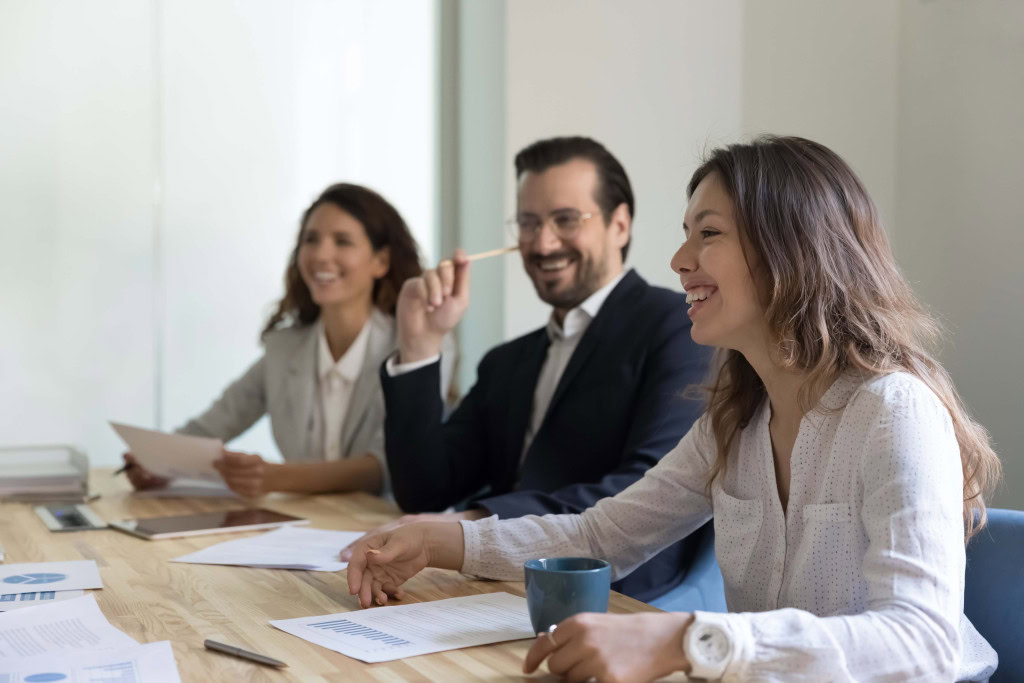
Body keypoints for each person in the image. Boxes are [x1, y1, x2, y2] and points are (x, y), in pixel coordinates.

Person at [345, 136, 1001, 682]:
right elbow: (599, 537)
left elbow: (923, 641)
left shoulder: (894, 411)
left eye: (707, 234)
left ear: (792, 249)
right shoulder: (735, 420)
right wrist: (444, 540)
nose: (679, 260)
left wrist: (689, 639)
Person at [346, 137, 711, 603]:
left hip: (615, 596)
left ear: (620, 224)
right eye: (528, 223)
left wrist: (471, 525)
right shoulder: (508, 361)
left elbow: (645, 487)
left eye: (564, 220)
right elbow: (423, 489)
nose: (542, 243)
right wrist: (420, 344)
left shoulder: (678, 329)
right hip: (491, 589)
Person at [124, 183, 453, 498]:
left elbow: (383, 468)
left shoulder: (418, 347)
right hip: (311, 528)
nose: (321, 255)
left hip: (392, 534)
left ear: (381, 261)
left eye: (342, 241)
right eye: (311, 239)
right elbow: (216, 421)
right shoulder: (285, 349)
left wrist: (275, 477)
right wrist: (158, 461)